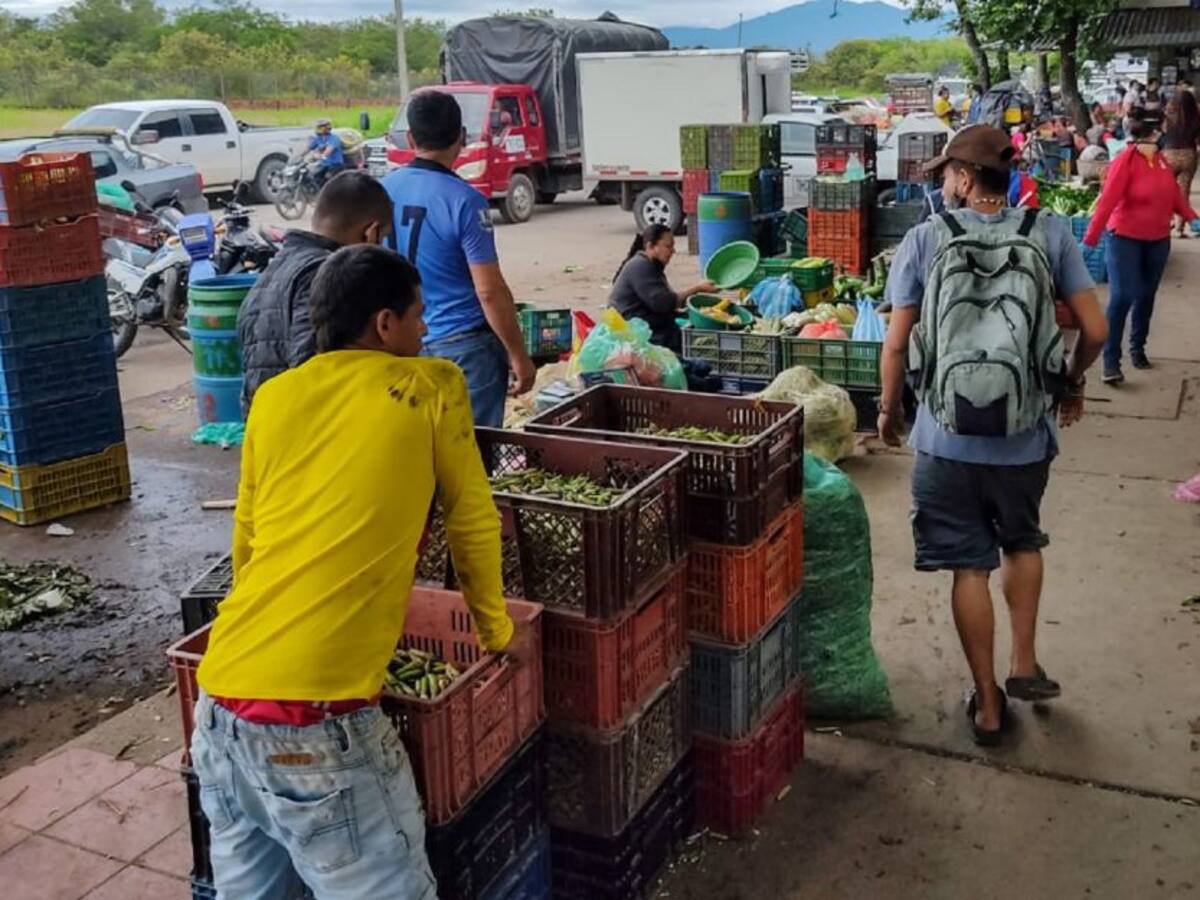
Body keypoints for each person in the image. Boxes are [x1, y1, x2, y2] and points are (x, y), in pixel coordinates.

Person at [192, 244, 528, 898]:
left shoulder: (275, 398)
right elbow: (472, 521)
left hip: (220, 712)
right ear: (384, 324)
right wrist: (496, 634)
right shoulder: (433, 386)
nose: (426, 329)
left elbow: (249, 536)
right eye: (419, 316)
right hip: (315, 728)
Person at [877, 124, 1109, 746]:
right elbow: (1095, 330)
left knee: (968, 569)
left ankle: (986, 704)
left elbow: (896, 343)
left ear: (961, 177)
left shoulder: (926, 238)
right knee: (1022, 541)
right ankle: (1024, 662)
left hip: (945, 439)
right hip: (1023, 437)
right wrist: (1072, 383)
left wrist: (888, 410)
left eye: (947, 175)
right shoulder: (1049, 232)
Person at [383, 90, 535, 427]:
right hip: (464, 349)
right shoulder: (466, 201)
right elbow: (489, 292)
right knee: (473, 456)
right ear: (462, 138)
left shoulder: (381, 191)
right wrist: (519, 356)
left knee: (421, 452)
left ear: (410, 137)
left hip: (404, 342)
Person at [237, 171, 393, 415]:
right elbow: (315, 369)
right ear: (369, 233)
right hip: (304, 430)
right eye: (381, 239)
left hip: (263, 426)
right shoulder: (329, 275)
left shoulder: (276, 267)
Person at [1084, 114, 1200, 383]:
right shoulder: (1125, 161)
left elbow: (1172, 195)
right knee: (1123, 296)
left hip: (1158, 239)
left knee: (1146, 296)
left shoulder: (1160, 161)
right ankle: (1111, 362)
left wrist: (1192, 218)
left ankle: (1138, 349)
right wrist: (1090, 240)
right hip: (1124, 238)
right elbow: (1107, 202)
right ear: (1155, 133)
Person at [608, 224, 715, 354]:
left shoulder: (651, 265)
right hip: (634, 331)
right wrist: (698, 288)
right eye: (668, 246)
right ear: (650, 247)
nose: (673, 251)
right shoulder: (640, 266)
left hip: (646, 323)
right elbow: (664, 303)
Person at [1161, 90, 1200, 236]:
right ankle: (1179, 228)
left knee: (1166, 191)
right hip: (1189, 155)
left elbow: (1162, 131)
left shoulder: (1168, 115)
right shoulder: (1195, 116)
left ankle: (1166, 222)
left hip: (1169, 154)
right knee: (1183, 192)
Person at [306, 118, 345, 187]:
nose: (317, 129)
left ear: (326, 128)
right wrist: (299, 156)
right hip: (325, 165)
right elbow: (308, 148)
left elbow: (328, 151)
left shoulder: (333, 138)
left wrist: (319, 156)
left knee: (328, 178)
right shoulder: (318, 138)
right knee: (314, 177)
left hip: (335, 165)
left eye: (319, 127)